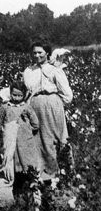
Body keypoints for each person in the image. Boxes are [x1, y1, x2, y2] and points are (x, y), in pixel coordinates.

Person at [23, 40, 73, 180]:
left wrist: (55, 103)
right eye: (34, 53)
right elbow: (26, 91)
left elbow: (67, 94)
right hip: (34, 106)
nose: (37, 55)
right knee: (38, 139)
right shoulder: (28, 71)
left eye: (40, 52)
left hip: (52, 105)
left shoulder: (55, 70)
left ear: (47, 53)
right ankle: (41, 173)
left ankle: (60, 171)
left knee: (55, 138)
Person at [0, 81, 39, 195]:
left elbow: (36, 124)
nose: (17, 98)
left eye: (20, 95)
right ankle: (12, 186)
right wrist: (3, 132)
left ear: (24, 95)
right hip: (9, 141)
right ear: (10, 94)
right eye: (14, 95)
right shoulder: (5, 107)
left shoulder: (26, 108)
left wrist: (26, 129)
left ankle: (27, 185)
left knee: (25, 161)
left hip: (24, 141)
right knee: (10, 160)